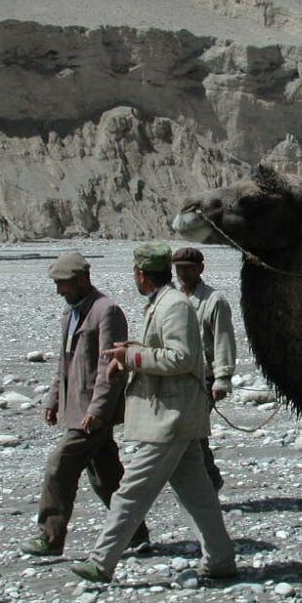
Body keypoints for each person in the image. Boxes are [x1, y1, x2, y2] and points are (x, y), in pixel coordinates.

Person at [70, 243, 236, 583]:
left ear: (141, 275)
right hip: (178, 417)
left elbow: (181, 358)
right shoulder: (165, 302)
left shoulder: (173, 305)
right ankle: (220, 560)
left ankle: (101, 562)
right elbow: (166, 350)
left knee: (131, 491)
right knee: (198, 495)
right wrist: (131, 351)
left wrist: (133, 357)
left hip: (170, 418)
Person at [21, 252, 150, 557]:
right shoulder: (71, 312)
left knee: (59, 466)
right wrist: (54, 399)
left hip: (92, 414)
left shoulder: (107, 311)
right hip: (77, 409)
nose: (59, 291)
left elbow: (111, 368)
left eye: (63, 284)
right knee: (107, 478)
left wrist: (98, 409)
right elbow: (64, 362)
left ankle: (50, 537)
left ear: (82, 280)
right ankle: (136, 535)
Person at [172, 247, 236, 493]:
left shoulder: (214, 301)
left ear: (200, 268)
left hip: (203, 379)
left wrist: (223, 378)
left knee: (193, 432)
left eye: (188, 269)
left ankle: (208, 483)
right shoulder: (174, 298)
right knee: (188, 433)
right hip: (177, 377)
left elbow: (223, 339)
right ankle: (204, 483)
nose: (183, 273)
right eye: (179, 268)